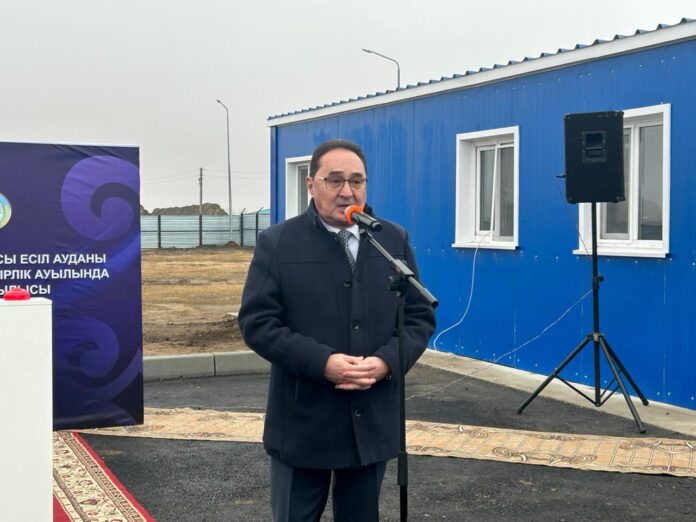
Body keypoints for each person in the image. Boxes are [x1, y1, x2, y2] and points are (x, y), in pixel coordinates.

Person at [238, 139, 436, 521]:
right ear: (311, 185)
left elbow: (417, 317)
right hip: (302, 426)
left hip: (370, 423)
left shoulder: (392, 240)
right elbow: (257, 323)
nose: (347, 191)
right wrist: (322, 362)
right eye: (335, 180)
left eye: (357, 181)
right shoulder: (278, 243)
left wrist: (386, 362)